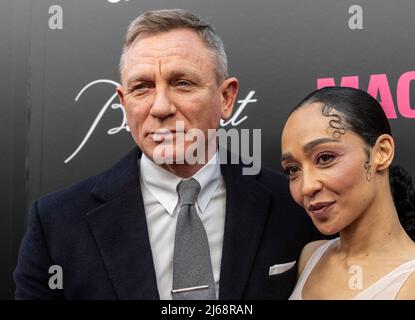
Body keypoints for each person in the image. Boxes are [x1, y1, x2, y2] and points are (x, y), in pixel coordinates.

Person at [14, 9, 321, 299]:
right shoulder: (57, 224)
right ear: (123, 102)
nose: (160, 107)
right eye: (142, 87)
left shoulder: (294, 205)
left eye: (182, 83)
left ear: (226, 98)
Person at [280, 86, 415, 299]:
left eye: (325, 158)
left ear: (382, 152)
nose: (306, 187)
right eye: (293, 169)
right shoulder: (310, 256)